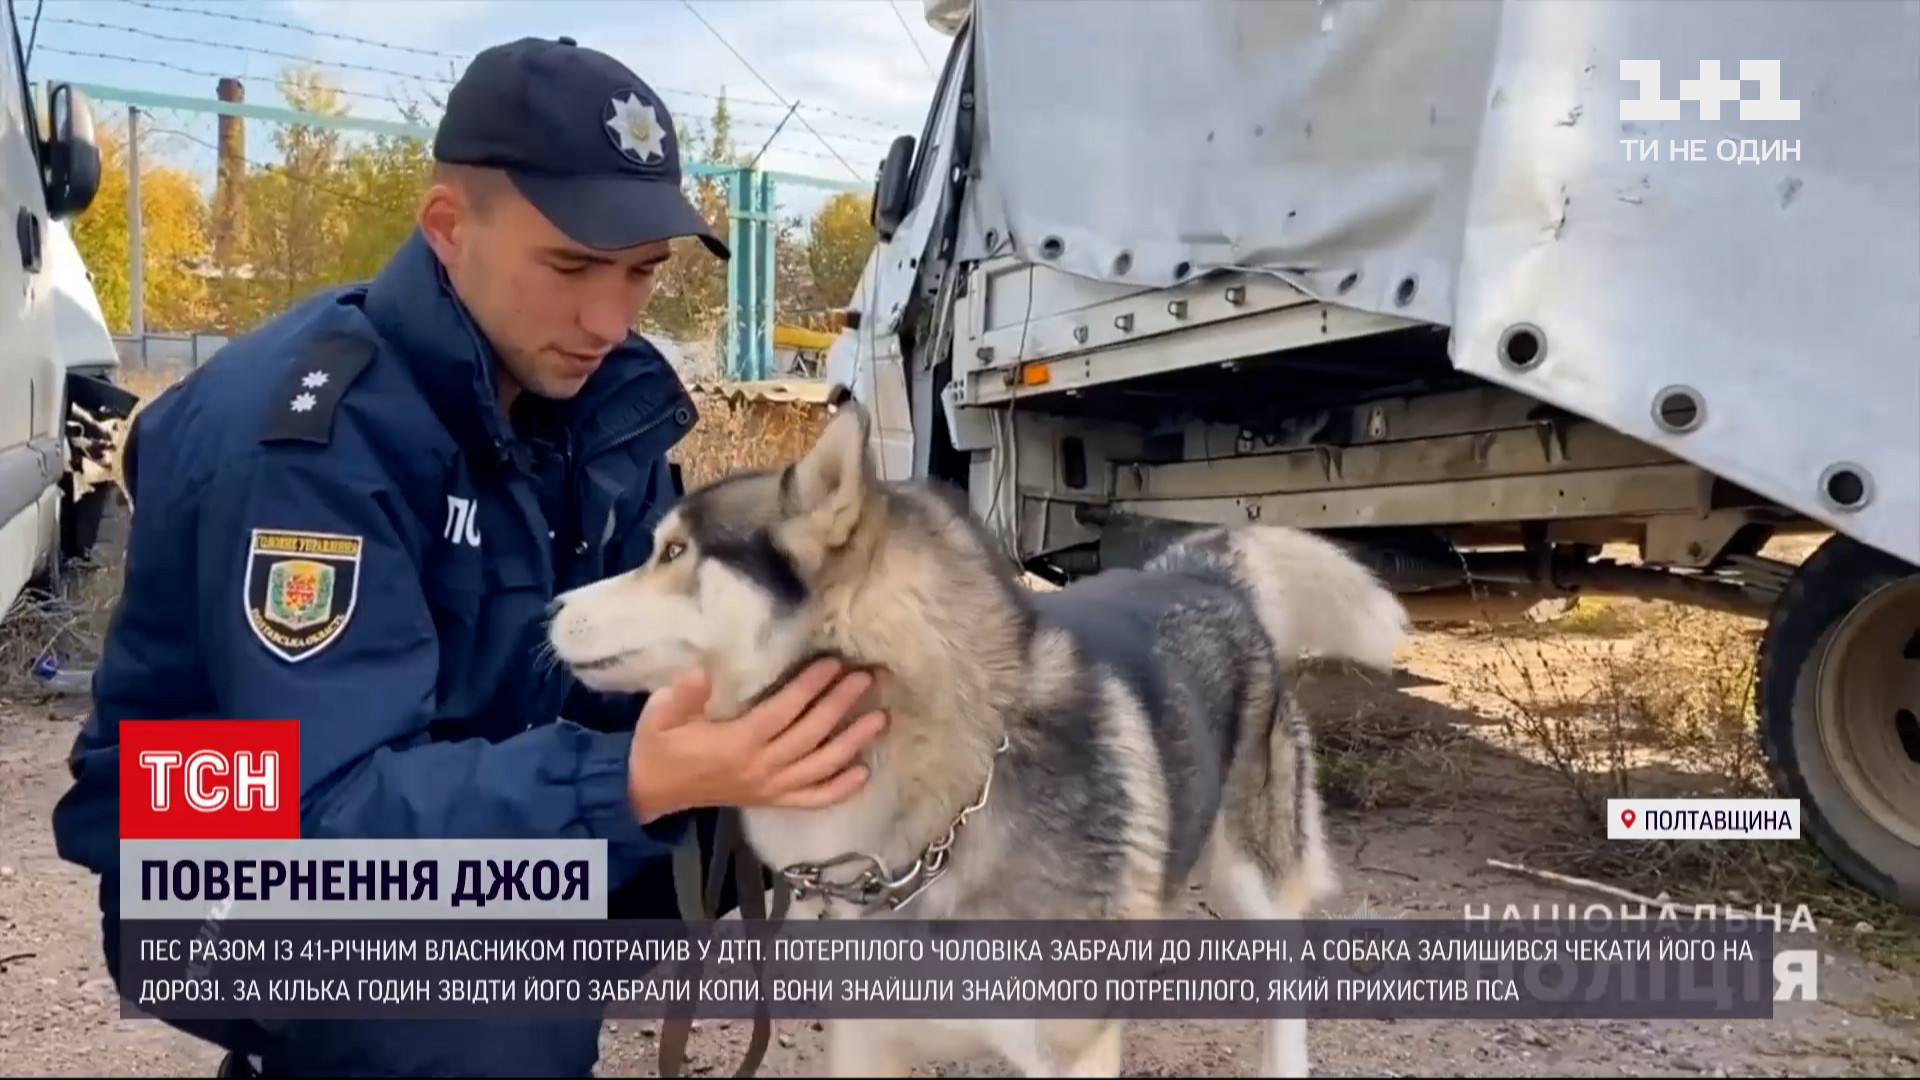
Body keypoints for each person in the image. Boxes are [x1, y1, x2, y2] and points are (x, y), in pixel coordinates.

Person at [49, 35, 886, 1079]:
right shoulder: (313, 439)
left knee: (755, 806)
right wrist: (626, 778)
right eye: (572, 266)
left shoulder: (592, 404)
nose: (609, 319)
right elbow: (319, 817)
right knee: (486, 1002)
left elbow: (636, 657)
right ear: (448, 227)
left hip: (414, 793)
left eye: (639, 274)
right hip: (217, 841)